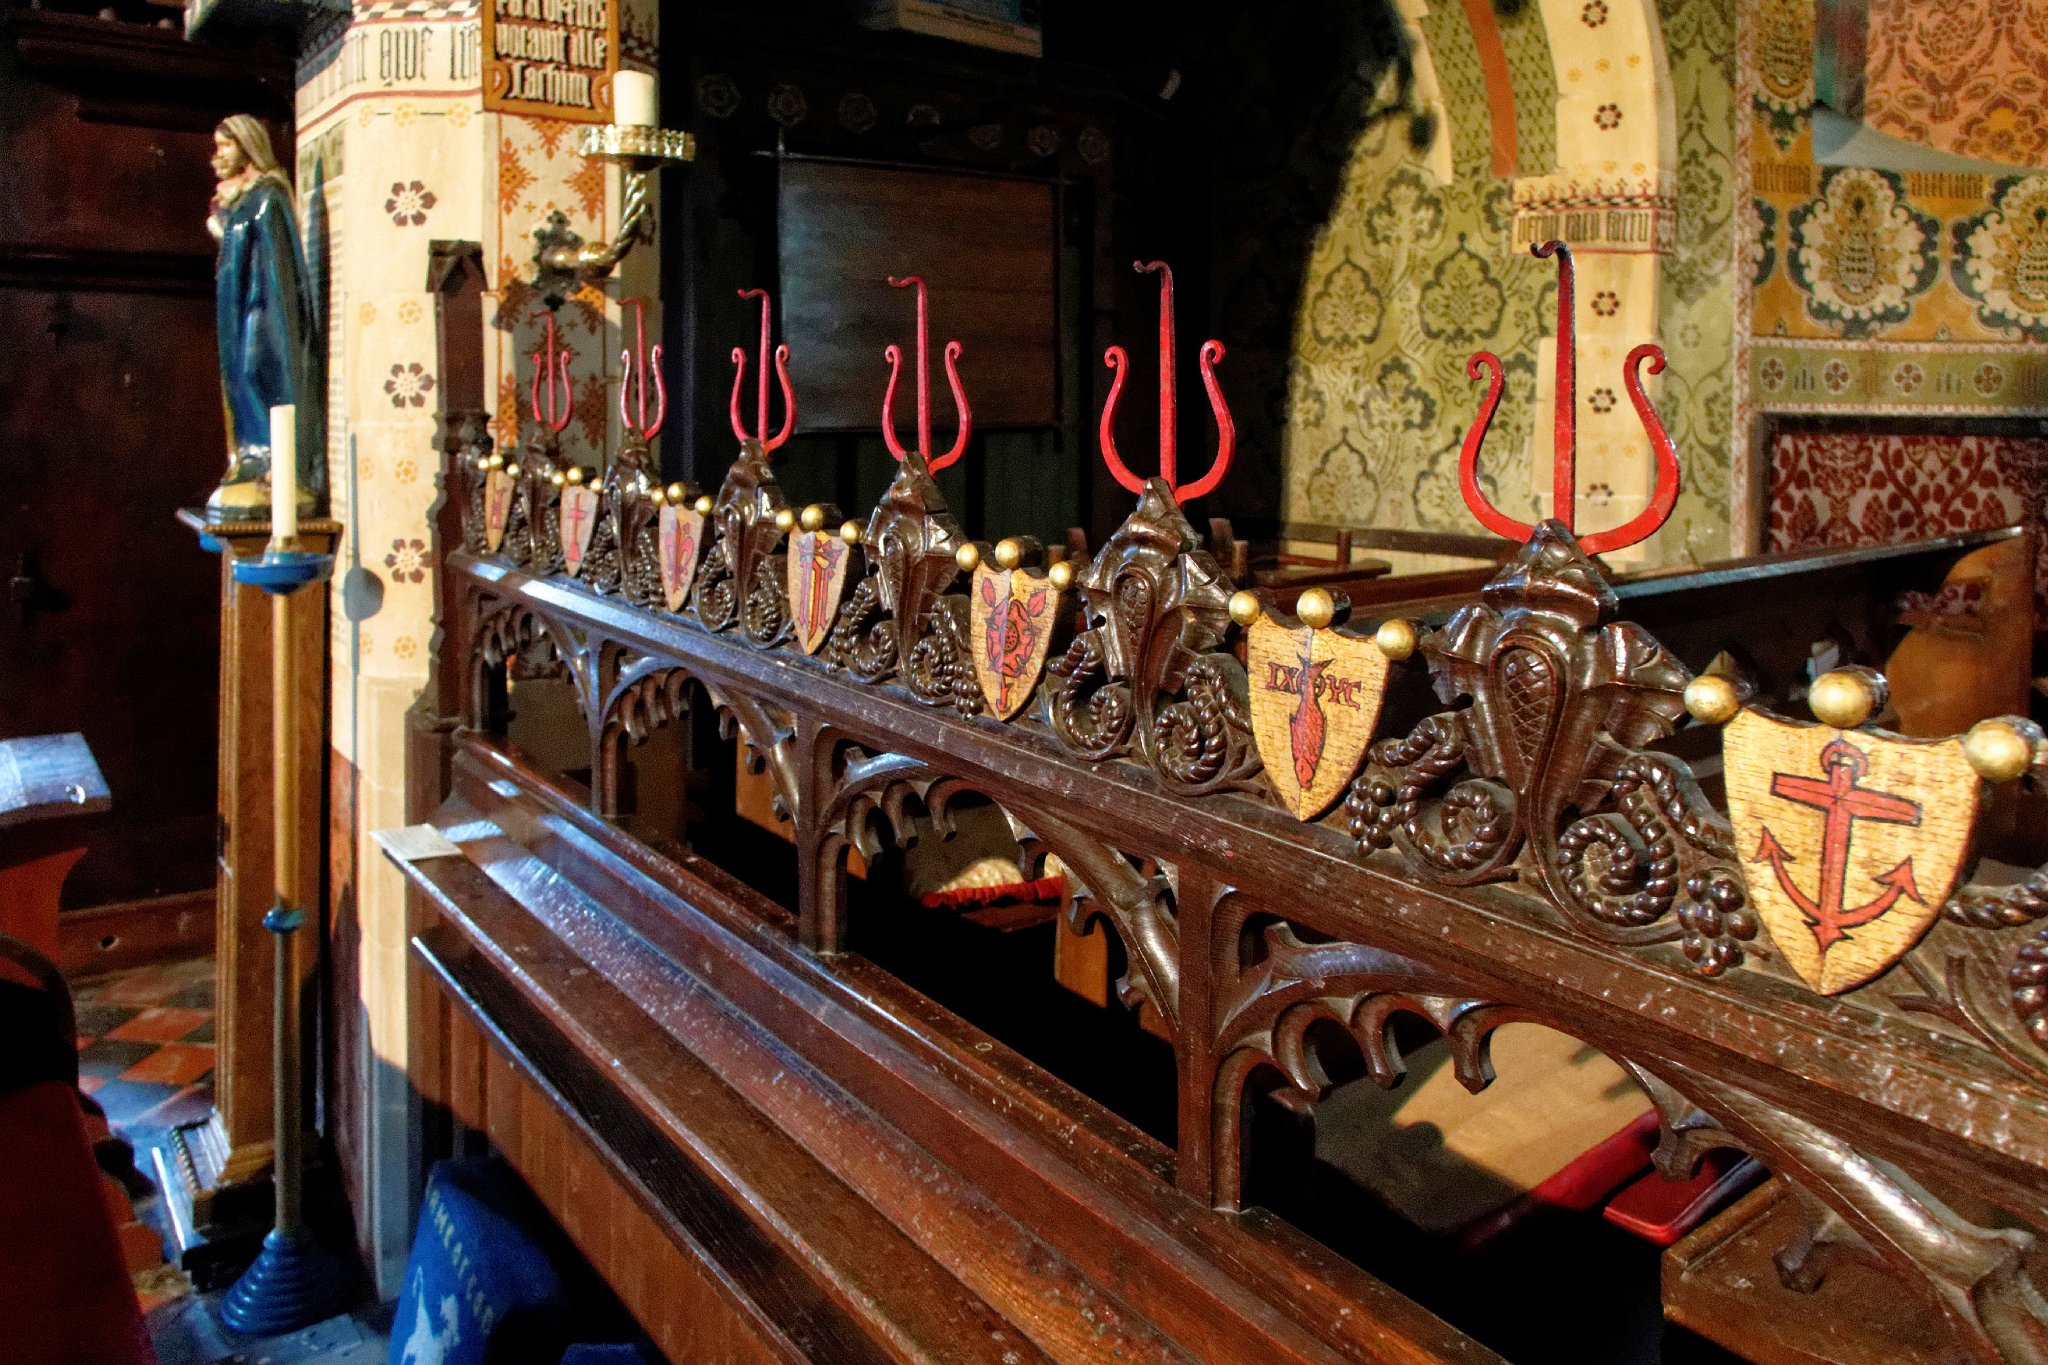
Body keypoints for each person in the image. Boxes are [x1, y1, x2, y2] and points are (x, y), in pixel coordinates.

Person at [207, 114, 321, 513]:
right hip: (240, 307)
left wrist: (230, 228)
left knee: (259, 370)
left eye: (225, 146)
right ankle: (253, 456)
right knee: (240, 378)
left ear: (248, 146)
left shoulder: (269, 196)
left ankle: (279, 460)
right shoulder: (243, 198)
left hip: (263, 307)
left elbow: (276, 263)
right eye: (218, 147)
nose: (218, 156)